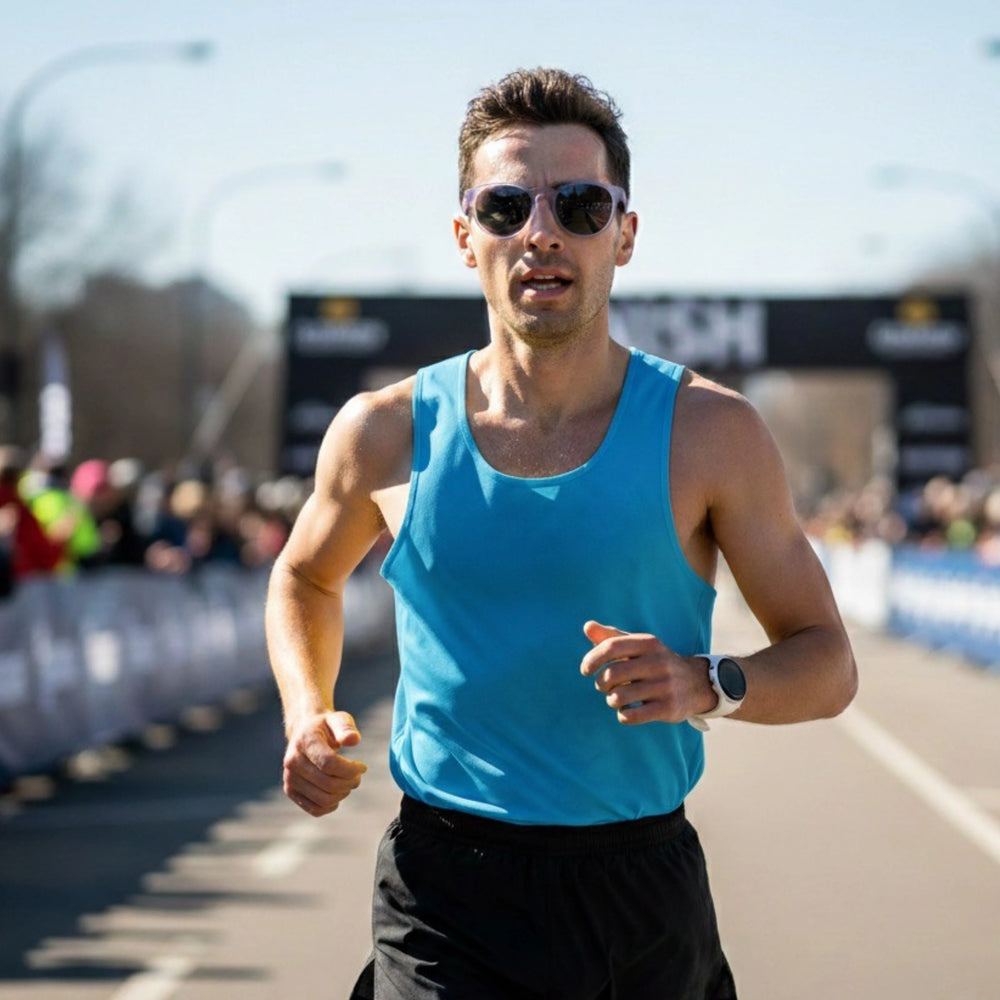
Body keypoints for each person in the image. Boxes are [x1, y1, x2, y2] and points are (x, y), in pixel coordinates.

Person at [266, 67, 858, 1000]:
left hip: (639, 890)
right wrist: (308, 710)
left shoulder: (712, 432)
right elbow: (303, 578)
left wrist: (708, 683)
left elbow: (827, 662)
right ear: (467, 239)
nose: (540, 231)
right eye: (506, 206)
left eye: (579, 204)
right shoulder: (385, 431)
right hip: (444, 888)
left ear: (624, 234)